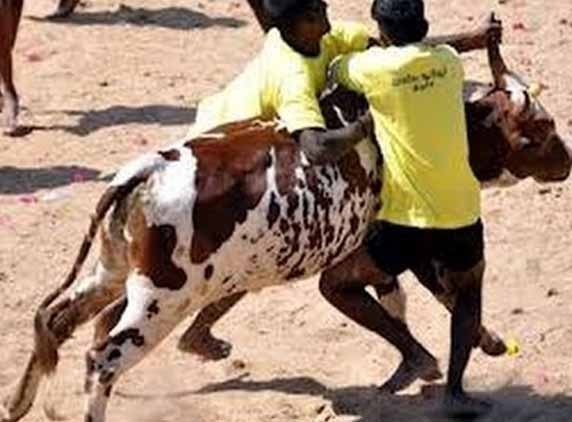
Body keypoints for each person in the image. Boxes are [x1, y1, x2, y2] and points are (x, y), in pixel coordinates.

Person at [319, 0, 495, 416]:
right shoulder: (449, 61)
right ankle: (455, 390)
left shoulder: (374, 69)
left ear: (381, 31)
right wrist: (472, 38)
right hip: (462, 208)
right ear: (424, 24)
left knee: (335, 285)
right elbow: (430, 51)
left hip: (406, 219)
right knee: (468, 293)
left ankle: (413, 351)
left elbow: (334, 70)